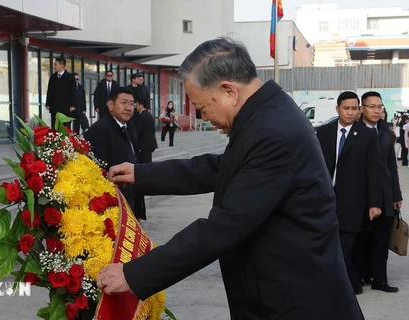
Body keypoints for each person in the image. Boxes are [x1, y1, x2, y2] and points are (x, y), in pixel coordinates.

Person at [96, 38, 364, 319]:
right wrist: (141, 173)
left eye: (201, 106)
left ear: (228, 91)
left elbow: (225, 225)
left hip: (295, 300)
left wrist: (135, 273)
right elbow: (220, 167)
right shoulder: (266, 114)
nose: (202, 115)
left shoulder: (272, 131)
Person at [316, 91, 382, 295]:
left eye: (355, 108)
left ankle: (343, 283)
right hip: (326, 196)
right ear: (337, 109)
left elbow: (374, 170)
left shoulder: (367, 134)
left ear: (359, 109)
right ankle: (348, 280)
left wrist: (374, 203)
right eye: (346, 108)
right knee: (328, 239)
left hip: (353, 199)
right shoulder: (323, 132)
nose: (351, 113)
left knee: (347, 241)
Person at [356, 91, 401, 293]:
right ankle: (359, 276)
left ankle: (380, 280)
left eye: (379, 106)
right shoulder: (354, 131)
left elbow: (392, 165)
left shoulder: (385, 132)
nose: (376, 110)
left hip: (384, 194)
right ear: (362, 108)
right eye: (372, 106)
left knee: (381, 240)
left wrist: (396, 194)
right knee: (359, 239)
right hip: (360, 195)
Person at [84, 87, 146, 220]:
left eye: (131, 103)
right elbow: (97, 171)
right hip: (114, 201)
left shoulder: (128, 126)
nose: (129, 108)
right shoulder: (99, 130)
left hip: (131, 195)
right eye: (123, 102)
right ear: (110, 105)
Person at [45, 57, 76, 128]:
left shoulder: (69, 77)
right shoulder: (53, 77)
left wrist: (72, 105)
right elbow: (49, 91)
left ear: (62, 65)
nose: (54, 66)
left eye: (56, 65)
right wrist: (48, 103)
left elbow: (73, 92)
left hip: (65, 107)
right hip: (54, 106)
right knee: (54, 126)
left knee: (64, 127)